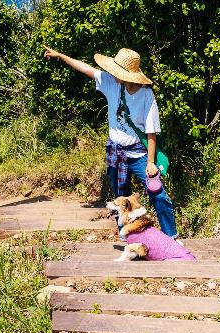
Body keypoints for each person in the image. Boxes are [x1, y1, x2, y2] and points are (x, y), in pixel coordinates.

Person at [44, 45, 179, 239]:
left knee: (157, 193)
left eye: (116, 71)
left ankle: (170, 236)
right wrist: (60, 56)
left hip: (139, 154)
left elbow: (151, 131)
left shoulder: (146, 95)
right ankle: (128, 237)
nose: (111, 73)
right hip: (116, 152)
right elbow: (85, 68)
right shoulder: (111, 82)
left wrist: (150, 163)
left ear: (127, 75)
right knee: (121, 197)